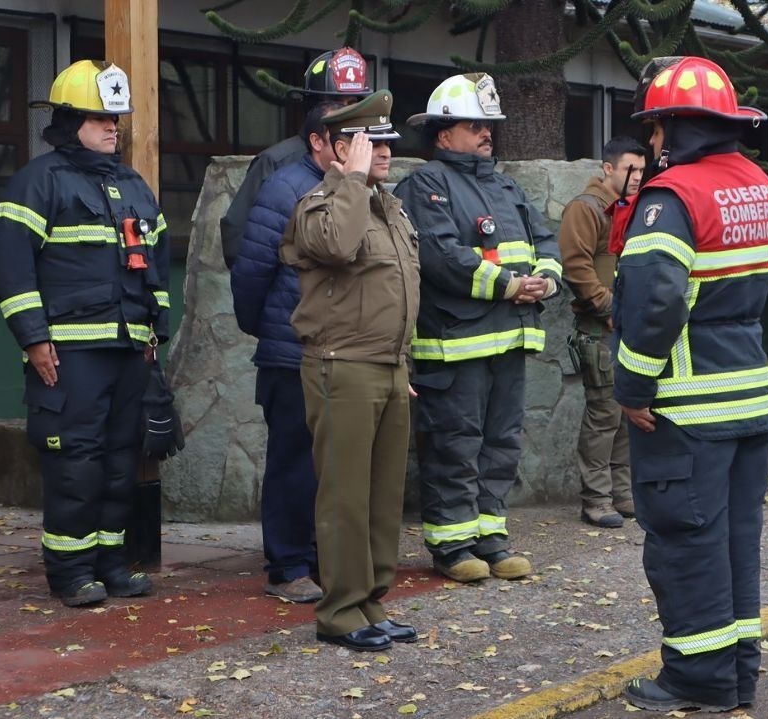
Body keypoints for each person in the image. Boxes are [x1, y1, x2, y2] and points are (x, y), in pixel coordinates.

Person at [610, 57, 768, 712]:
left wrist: (632, 385)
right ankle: (737, 673)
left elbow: (656, 303)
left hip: (685, 408)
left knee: (686, 544)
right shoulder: (756, 185)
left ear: (677, 128)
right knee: (736, 542)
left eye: (655, 130)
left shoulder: (673, 197)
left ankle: (698, 678)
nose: (651, 144)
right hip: (746, 398)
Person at [0, 60, 173, 607]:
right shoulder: (37, 182)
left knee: (120, 462)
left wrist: (153, 332)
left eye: (115, 118)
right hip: (69, 354)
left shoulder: (133, 185)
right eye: (99, 118)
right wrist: (33, 338)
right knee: (75, 464)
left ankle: (111, 565)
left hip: (127, 349)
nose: (112, 127)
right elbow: (9, 266)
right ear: (70, 123)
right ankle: (69, 573)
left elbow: (155, 267)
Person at [394, 74, 562, 584]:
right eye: (476, 125)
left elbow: (545, 241)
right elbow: (442, 256)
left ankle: (492, 538)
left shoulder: (505, 185)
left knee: (501, 442)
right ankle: (451, 544)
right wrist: (512, 286)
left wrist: (547, 282)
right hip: (455, 343)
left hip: (509, 338)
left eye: (490, 125)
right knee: (455, 442)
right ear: (444, 135)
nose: (487, 134)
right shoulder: (425, 184)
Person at [280, 90, 421, 652]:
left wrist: (400, 359)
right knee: (344, 497)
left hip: (387, 365)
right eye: (368, 143)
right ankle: (339, 611)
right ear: (337, 149)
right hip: (342, 367)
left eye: (385, 142)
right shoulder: (320, 204)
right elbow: (337, 245)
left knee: (384, 497)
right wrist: (353, 180)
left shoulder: (388, 206)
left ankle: (371, 601)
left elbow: (401, 288)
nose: (382, 152)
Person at [231, 97, 349, 604]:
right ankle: (287, 566)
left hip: (342, 353)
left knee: (332, 465)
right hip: (292, 353)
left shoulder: (354, 189)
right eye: (342, 136)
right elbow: (251, 272)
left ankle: (323, 558)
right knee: (293, 463)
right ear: (317, 142)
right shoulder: (285, 189)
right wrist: (272, 333)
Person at [559, 136, 646, 529]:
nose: (637, 176)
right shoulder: (587, 208)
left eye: (642, 170)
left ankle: (622, 493)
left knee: (627, 411)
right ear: (608, 168)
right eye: (630, 168)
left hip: (628, 325)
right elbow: (576, 266)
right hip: (600, 326)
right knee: (604, 414)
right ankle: (596, 498)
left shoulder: (629, 210)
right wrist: (606, 306)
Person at [220, 47, 371, 269]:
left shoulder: (364, 160)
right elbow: (238, 242)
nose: (349, 112)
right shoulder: (276, 161)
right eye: (339, 103)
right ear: (315, 107)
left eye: (354, 103)